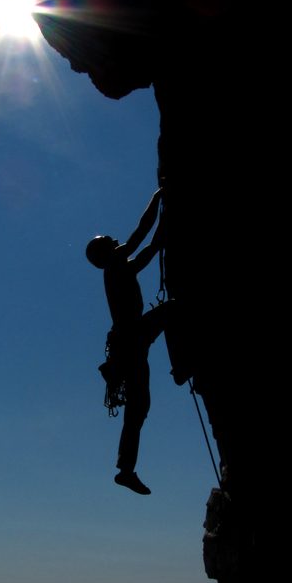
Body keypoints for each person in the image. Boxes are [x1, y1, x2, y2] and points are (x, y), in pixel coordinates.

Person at [86, 187, 188, 495]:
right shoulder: (116, 265)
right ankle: (181, 365)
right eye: (111, 243)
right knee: (172, 310)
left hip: (130, 339)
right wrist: (158, 198)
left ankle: (126, 468)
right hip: (131, 337)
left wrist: (164, 223)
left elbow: (149, 246)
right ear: (106, 253)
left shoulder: (118, 269)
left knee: (139, 406)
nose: (117, 242)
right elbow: (143, 233)